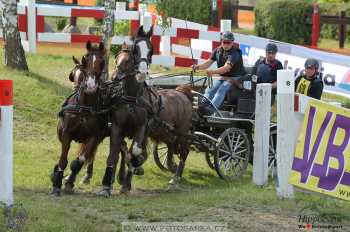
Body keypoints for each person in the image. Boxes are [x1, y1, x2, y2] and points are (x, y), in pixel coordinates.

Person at [192, 31, 246, 112]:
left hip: (235, 79)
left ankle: (210, 110)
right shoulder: (217, 51)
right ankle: (202, 108)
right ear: (221, 42)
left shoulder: (235, 53)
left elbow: (226, 68)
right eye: (224, 42)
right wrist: (198, 67)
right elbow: (208, 63)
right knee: (209, 90)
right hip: (223, 77)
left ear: (232, 42)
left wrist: (213, 72)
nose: (226, 44)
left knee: (221, 90)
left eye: (229, 42)